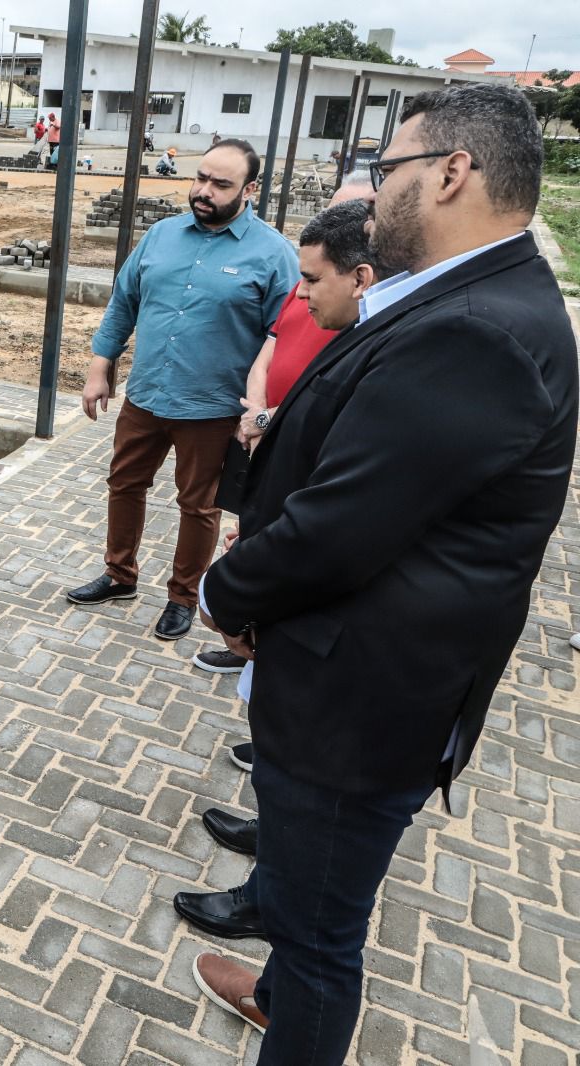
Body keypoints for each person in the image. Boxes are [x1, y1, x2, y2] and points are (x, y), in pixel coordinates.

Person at [191, 83, 576, 1063]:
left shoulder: (479, 330)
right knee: (305, 899)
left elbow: (339, 529)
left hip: (363, 701)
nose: (372, 194)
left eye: (386, 169)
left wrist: (223, 593)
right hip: (350, 673)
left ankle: (295, 1013)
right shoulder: (479, 298)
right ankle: (276, 991)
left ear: (451, 174)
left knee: (321, 939)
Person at [174, 196, 391, 941]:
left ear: (361, 277)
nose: (298, 294)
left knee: (299, 753)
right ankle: (271, 853)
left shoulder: (386, 348)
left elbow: (334, 513)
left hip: (310, 594)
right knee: (275, 732)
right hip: (278, 546)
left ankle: (271, 900)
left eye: (310, 280)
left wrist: (230, 593)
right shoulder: (341, 320)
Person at [67, 139, 298, 641]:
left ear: (250, 190)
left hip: (213, 408)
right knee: (125, 484)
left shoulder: (275, 256)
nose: (203, 191)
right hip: (146, 394)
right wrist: (99, 366)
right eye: (201, 178)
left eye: (221, 185)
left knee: (198, 505)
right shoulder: (161, 236)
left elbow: (284, 338)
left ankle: (182, 597)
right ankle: (118, 575)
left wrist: (261, 410)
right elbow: (123, 302)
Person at [192, 173, 375, 680]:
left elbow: (327, 399)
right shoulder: (315, 283)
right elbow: (273, 344)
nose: (304, 290)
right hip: (267, 427)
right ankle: (249, 643)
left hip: (288, 433)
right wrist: (255, 407)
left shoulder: (362, 315)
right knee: (250, 524)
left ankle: (259, 647)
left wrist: (270, 417)